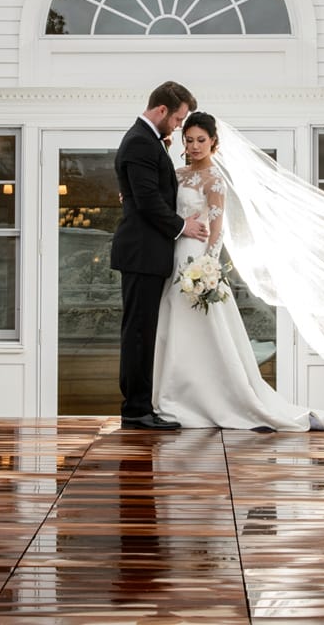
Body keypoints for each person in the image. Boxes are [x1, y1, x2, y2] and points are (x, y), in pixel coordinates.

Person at [153, 112, 324, 432]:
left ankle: (210, 398)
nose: (194, 146)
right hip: (173, 255)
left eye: (201, 140)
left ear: (213, 142)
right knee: (172, 324)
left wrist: (207, 268)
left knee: (201, 328)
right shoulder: (177, 174)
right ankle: (173, 398)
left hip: (196, 260)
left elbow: (217, 229)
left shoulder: (214, 180)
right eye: (189, 140)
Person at [109, 81, 203, 430]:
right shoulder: (138, 143)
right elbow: (148, 202)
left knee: (144, 332)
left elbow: (142, 193)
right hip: (142, 253)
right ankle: (135, 411)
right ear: (162, 111)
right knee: (138, 333)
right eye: (178, 120)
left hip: (147, 253)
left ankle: (141, 406)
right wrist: (183, 227)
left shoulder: (146, 142)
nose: (179, 127)